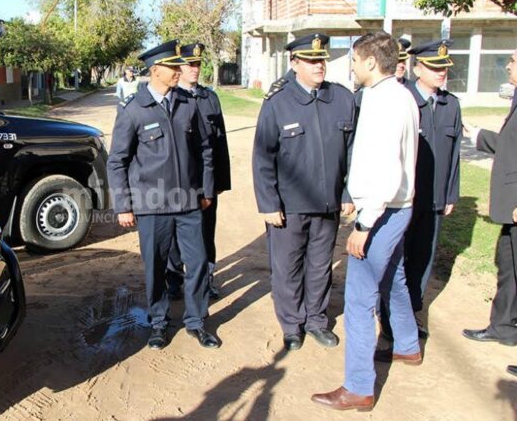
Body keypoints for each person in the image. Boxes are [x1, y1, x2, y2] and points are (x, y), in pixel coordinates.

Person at [311, 31, 420, 412]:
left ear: (371, 62)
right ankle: (407, 345)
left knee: (359, 301)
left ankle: (358, 387)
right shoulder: (396, 94)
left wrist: (364, 225)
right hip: (394, 208)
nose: (352, 67)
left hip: (383, 212)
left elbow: (387, 169)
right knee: (394, 277)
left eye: (355, 60)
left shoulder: (387, 102)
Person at [106, 40, 219, 350]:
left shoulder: (188, 104)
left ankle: (196, 322)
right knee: (156, 268)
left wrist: (207, 189)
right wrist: (123, 206)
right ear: (155, 70)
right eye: (173, 67)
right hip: (152, 205)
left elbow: (206, 150)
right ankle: (158, 323)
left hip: (188, 204)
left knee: (197, 264)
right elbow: (117, 161)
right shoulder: (133, 110)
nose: (179, 71)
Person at [252, 33, 355, 351]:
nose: (318, 65)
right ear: (294, 63)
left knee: (320, 265)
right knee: (288, 267)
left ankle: (316, 320)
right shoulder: (278, 103)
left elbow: (352, 151)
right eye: (310, 61)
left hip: (328, 204)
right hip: (289, 205)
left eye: (321, 59)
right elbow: (263, 158)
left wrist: (348, 193)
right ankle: (292, 324)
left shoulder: (341, 98)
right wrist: (269, 203)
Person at [380, 40, 461, 341]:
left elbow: (453, 157)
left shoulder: (451, 104)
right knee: (396, 258)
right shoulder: (403, 100)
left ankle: (411, 312)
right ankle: (388, 315)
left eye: (444, 68)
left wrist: (451, 193)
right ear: (418, 68)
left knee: (423, 258)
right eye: (435, 68)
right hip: (403, 198)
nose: (442, 73)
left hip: (435, 198)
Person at [165, 42, 231, 301]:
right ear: (178, 67)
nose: (195, 69)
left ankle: (207, 278)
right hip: (178, 180)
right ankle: (174, 280)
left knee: (206, 231)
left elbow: (220, 142)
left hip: (206, 180)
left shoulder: (209, 98)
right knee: (173, 236)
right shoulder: (171, 98)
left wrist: (220, 181)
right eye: (189, 64)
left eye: (198, 64)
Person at [461, 48, 517, 348]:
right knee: (508, 267)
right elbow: (511, 146)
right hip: (510, 209)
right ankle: (504, 327)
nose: (508, 66)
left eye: (513, 61)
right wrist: (479, 135)